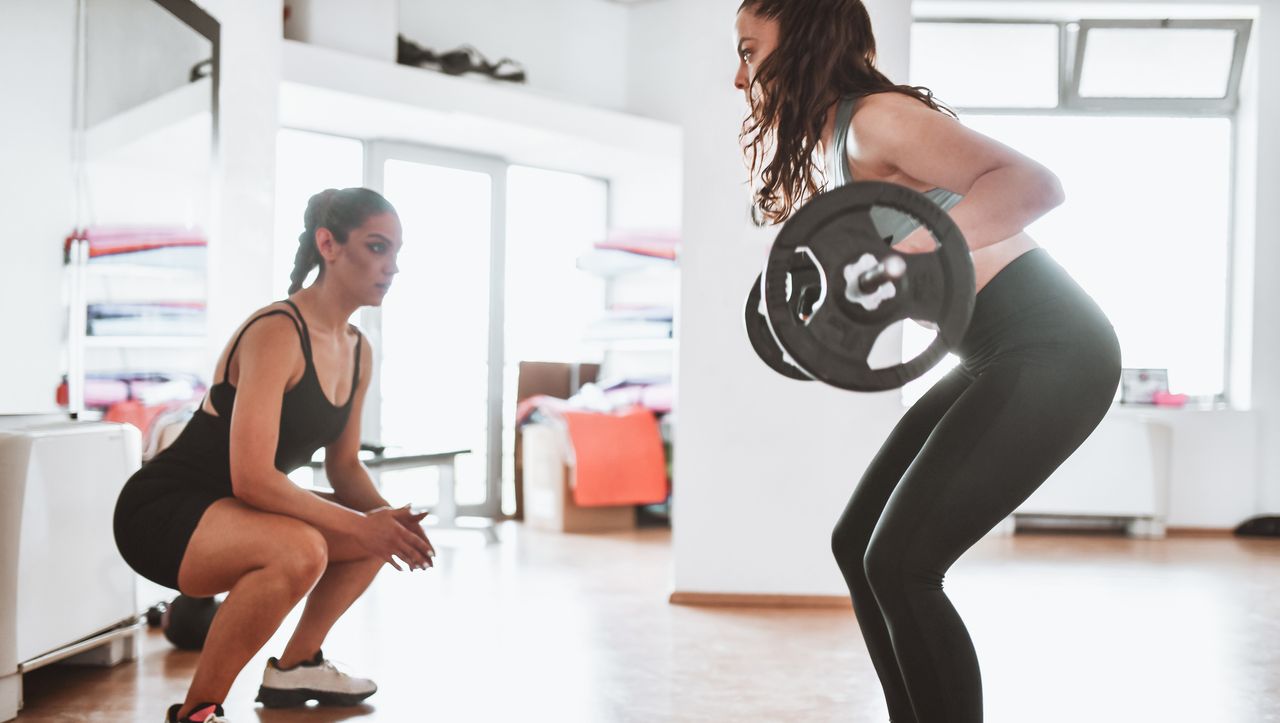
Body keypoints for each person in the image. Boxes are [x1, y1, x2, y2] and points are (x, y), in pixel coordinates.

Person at [734, 2, 1121, 721]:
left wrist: (898, 251)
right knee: (859, 546)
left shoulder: (875, 117)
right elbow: (899, 276)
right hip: (994, 353)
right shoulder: (840, 141)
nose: (739, 74)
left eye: (750, 49)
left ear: (805, 38)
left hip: (1053, 347)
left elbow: (1034, 185)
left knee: (903, 565)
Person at [113, 187, 436, 723]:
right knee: (305, 546)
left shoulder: (358, 350)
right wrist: (365, 526)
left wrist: (389, 521)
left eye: (397, 253)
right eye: (378, 248)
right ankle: (198, 712)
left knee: (373, 529)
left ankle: (296, 666)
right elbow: (252, 479)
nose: (391, 267)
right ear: (328, 244)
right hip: (165, 511)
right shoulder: (277, 332)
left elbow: (345, 467)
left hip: (241, 512)